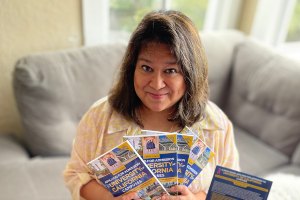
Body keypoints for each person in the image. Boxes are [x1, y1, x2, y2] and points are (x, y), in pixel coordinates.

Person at [63, 10, 240, 200]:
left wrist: (196, 199)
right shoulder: (99, 117)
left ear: (190, 75)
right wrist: (112, 198)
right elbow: (76, 176)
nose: (156, 84)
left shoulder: (216, 125)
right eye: (146, 68)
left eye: (171, 71)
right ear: (132, 69)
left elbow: (233, 192)